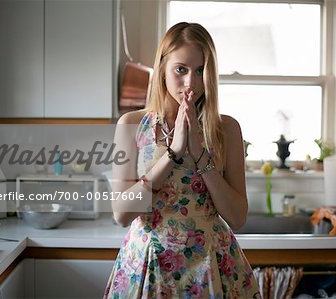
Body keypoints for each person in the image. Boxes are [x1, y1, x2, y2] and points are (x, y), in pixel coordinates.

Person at [104, 22, 260, 298]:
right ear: (162, 67)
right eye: (181, 70)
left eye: (201, 71)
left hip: (211, 265)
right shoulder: (131, 125)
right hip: (148, 264)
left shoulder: (227, 129)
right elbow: (122, 213)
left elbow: (237, 217)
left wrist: (200, 154)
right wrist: (173, 153)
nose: (191, 82)